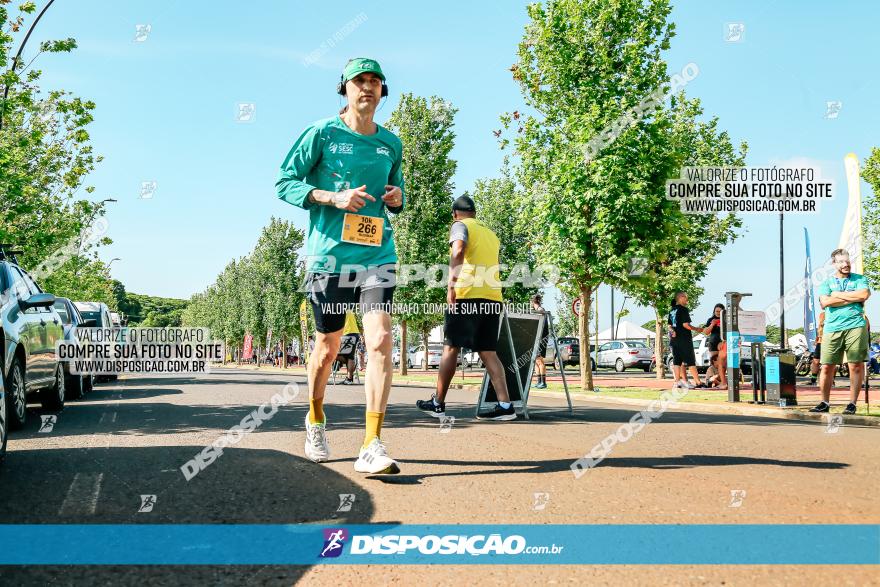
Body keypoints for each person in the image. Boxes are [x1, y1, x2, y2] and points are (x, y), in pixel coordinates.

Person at [276, 57, 405, 474]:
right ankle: (315, 418)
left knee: (381, 339)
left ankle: (372, 442)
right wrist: (331, 197)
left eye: (374, 82)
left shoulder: (392, 143)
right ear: (344, 89)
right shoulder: (322, 133)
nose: (367, 88)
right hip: (329, 258)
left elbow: (397, 190)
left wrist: (396, 199)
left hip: (377, 254)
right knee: (327, 349)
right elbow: (285, 182)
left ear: (383, 91)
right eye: (359, 81)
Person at [416, 195, 516, 421]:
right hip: (492, 297)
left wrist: (451, 286)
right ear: (475, 213)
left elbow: (458, 251)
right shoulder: (491, 234)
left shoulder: (459, 226)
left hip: (467, 295)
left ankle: (438, 403)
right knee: (489, 352)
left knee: (451, 348)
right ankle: (505, 406)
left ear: (455, 214)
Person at [810, 248, 871, 415]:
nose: (846, 264)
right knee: (827, 366)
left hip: (856, 326)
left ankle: (852, 404)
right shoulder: (826, 283)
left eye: (847, 261)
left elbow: (864, 294)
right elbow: (825, 302)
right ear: (834, 264)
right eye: (841, 261)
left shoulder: (860, 279)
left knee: (856, 366)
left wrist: (837, 295)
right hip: (832, 328)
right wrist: (851, 296)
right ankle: (824, 402)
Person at [667, 291, 703, 389]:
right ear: (681, 297)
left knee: (677, 361)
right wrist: (697, 329)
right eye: (686, 297)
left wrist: (672, 331)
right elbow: (685, 325)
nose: (687, 299)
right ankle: (698, 382)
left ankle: (677, 382)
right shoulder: (683, 310)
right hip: (684, 338)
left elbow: (669, 325)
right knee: (691, 361)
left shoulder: (672, 310)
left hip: (674, 340)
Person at [701, 303, 726, 389]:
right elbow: (706, 332)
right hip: (713, 343)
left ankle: (722, 382)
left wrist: (723, 341)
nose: (718, 313)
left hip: (723, 344)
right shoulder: (710, 319)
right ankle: (714, 380)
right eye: (716, 311)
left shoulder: (726, 319)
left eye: (720, 311)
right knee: (714, 363)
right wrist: (712, 324)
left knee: (722, 364)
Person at [531, 294, 549, 389]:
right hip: (537, 338)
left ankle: (543, 382)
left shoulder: (540, 309)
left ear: (533, 302)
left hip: (541, 338)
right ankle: (539, 382)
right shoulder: (536, 311)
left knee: (539, 360)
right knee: (535, 361)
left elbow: (542, 311)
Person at [337, 311, 360, 385]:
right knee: (350, 356)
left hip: (347, 333)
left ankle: (349, 377)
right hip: (355, 333)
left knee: (334, 354)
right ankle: (349, 378)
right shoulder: (348, 308)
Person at [809, 311, 825, 386]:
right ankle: (813, 380)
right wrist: (816, 340)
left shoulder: (836, 313)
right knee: (815, 361)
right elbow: (820, 329)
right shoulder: (822, 314)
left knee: (831, 364)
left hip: (831, 340)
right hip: (820, 341)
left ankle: (832, 381)